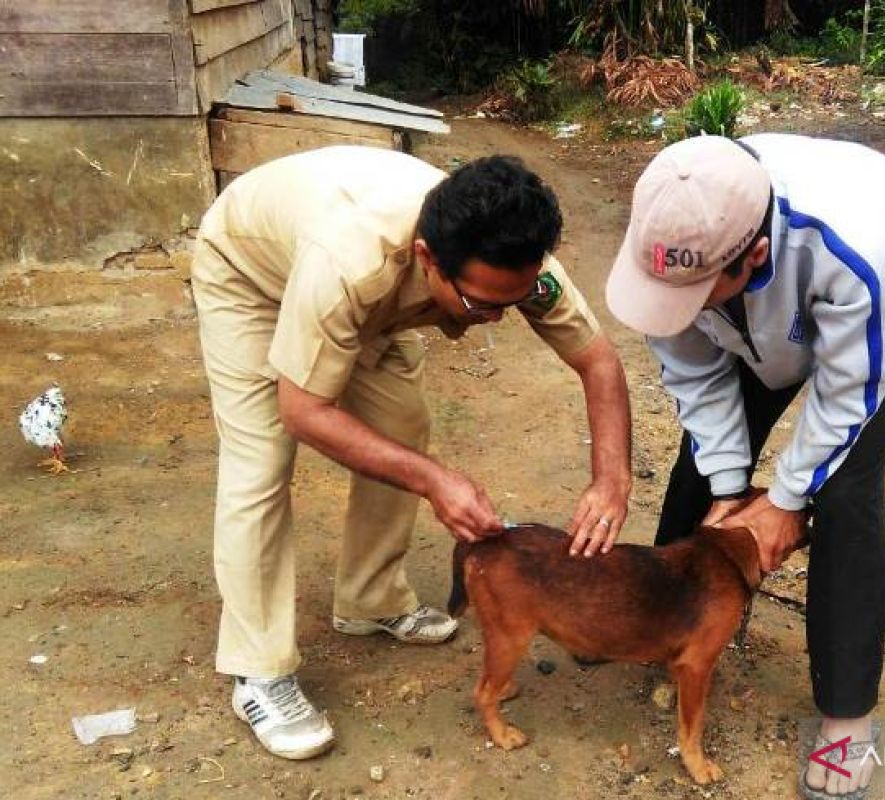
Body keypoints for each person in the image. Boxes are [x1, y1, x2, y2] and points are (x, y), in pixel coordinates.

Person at [191, 147, 632, 760]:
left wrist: (611, 479)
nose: (500, 320)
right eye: (484, 306)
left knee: (400, 423)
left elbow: (598, 360)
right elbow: (305, 410)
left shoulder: (510, 256)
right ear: (429, 260)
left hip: (365, 296)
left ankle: (370, 598)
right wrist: (433, 481)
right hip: (252, 273)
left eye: (517, 300)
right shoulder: (348, 262)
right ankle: (258, 670)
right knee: (261, 459)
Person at [605, 134, 885, 799]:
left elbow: (849, 394)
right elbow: (697, 382)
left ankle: (847, 716)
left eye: (695, 295)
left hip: (880, 317)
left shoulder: (853, 244)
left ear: (754, 254)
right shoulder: (671, 235)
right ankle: (668, 621)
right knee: (705, 472)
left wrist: (788, 498)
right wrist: (733, 491)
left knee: (845, 491)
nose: (677, 312)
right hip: (751, 311)